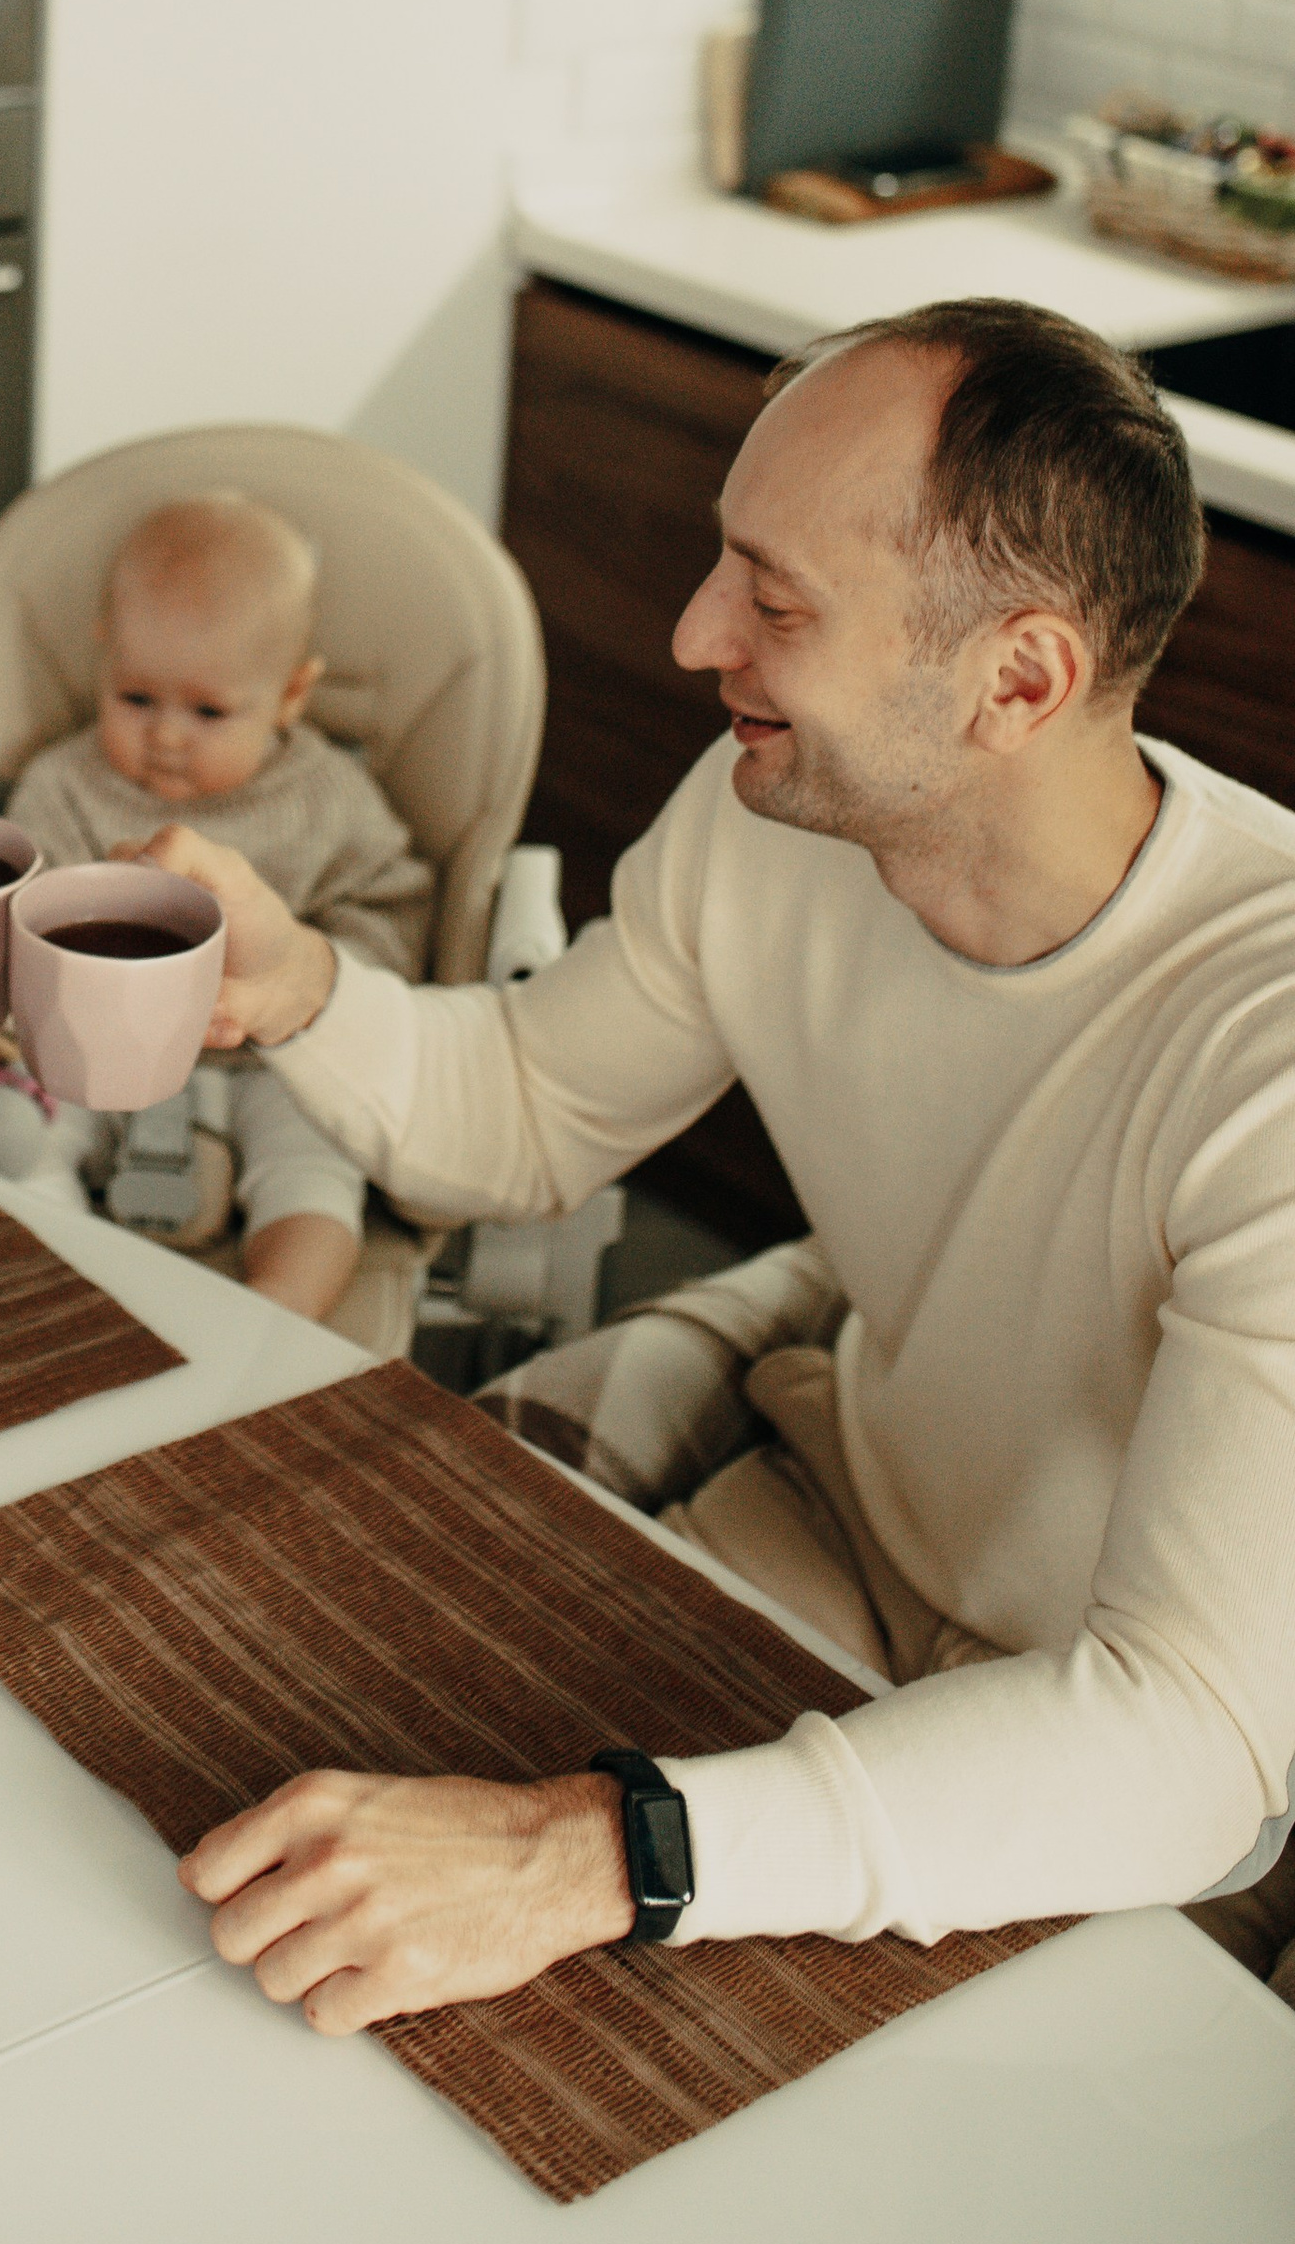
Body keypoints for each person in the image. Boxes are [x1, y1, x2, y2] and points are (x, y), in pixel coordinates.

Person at [129, 301, 1295, 2025]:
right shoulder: (785, 814)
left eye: (777, 599)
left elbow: (1187, 1740)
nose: (694, 635)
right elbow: (529, 1107)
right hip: (847, 1519)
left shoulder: (1265, 1045)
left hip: (1106, 1732)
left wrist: (587, 1853)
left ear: (1020, 680)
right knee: (258, 1763)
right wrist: (296, 983)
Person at [0, 494, 429, 1321]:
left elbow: (390, 908)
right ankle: (70, 1297)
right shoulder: (61, 786)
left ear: (291, 694)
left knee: (319, 1161)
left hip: (268, 1063)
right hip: (93, 1050)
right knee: (16, 1135)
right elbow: (17, 927)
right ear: (103, 656)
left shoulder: (329, 798)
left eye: (209, 711)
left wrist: (306, 977)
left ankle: (272, 1316)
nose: (167, 734)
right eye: (136, 698)